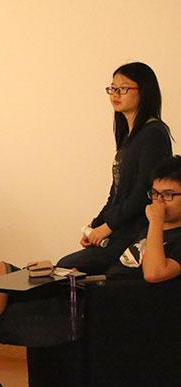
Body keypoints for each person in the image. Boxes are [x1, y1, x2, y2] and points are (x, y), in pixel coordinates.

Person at [0, 159, 181, 373]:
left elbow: (154, 273)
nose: (158, 203)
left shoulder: (167, 233)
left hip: (98, 308)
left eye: (168, 195)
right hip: (80, 288)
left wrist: (155, 223)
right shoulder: (143, 228)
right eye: (154, 194)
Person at [56, 61, 173, 274]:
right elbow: (116, 193)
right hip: (120, 229)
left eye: (123, 88)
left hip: (137, 232)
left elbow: (142, 193)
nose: (115, 94)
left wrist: (107, 228)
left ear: (144, 91)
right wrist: (95, 226)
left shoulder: (153, 134)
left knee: (66, 267)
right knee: (65, 267)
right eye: (112, 88)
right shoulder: (128, 137)